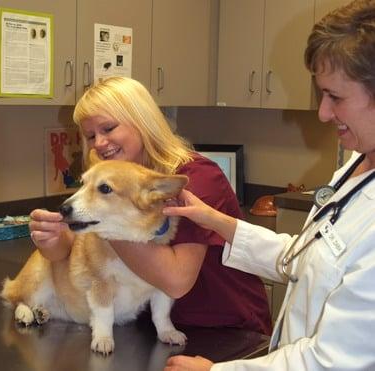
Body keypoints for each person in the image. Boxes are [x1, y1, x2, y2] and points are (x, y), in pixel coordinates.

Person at [163, 0, 375, 370]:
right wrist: (215, 220)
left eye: (335, 96)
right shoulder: (358, 167)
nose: (323, 113)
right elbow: (303, 258)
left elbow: (331, 361)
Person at [29, 76, 272, 336]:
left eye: (108, 128)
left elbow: (176, 281)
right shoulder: (110, 180)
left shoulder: (197, 179)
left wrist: (107, 220)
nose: (98, 143)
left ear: (141, 121)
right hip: (150, 329)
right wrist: (52, 241)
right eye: (90, 135)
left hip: (224, 329)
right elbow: (76, 250)